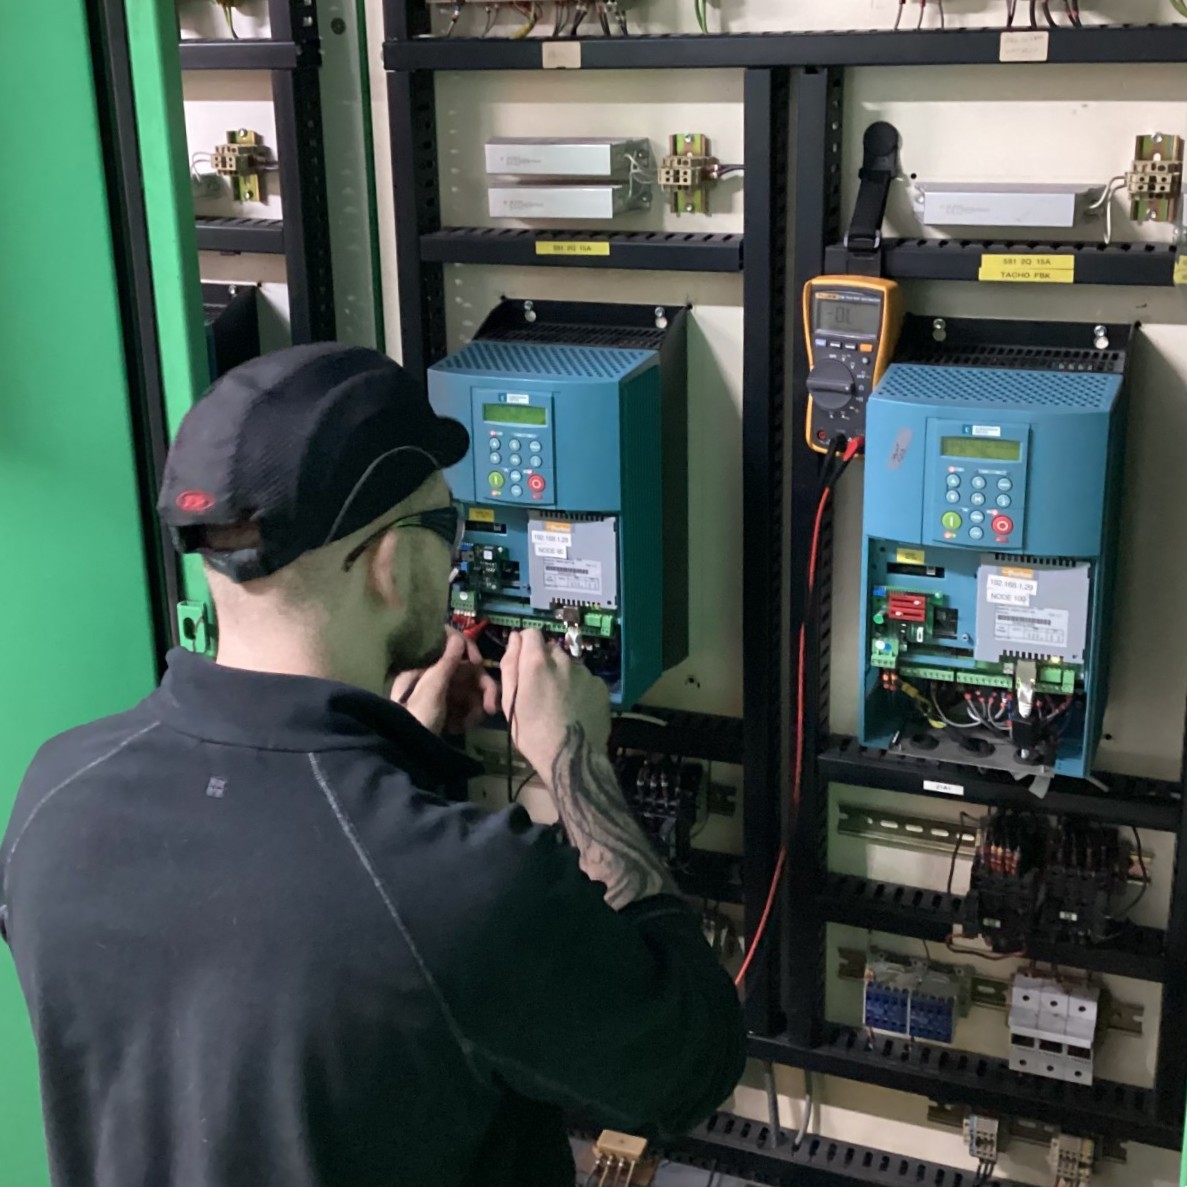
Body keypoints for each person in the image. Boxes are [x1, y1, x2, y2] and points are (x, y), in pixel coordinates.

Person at [1, 344, 746, 1187]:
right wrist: (575, 760)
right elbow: (690, 1062)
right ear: (392, 564)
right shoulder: (463, 885)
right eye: (445, 528)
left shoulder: (52, 795)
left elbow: (256, 959)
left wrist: (387, 744)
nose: (457, 557)